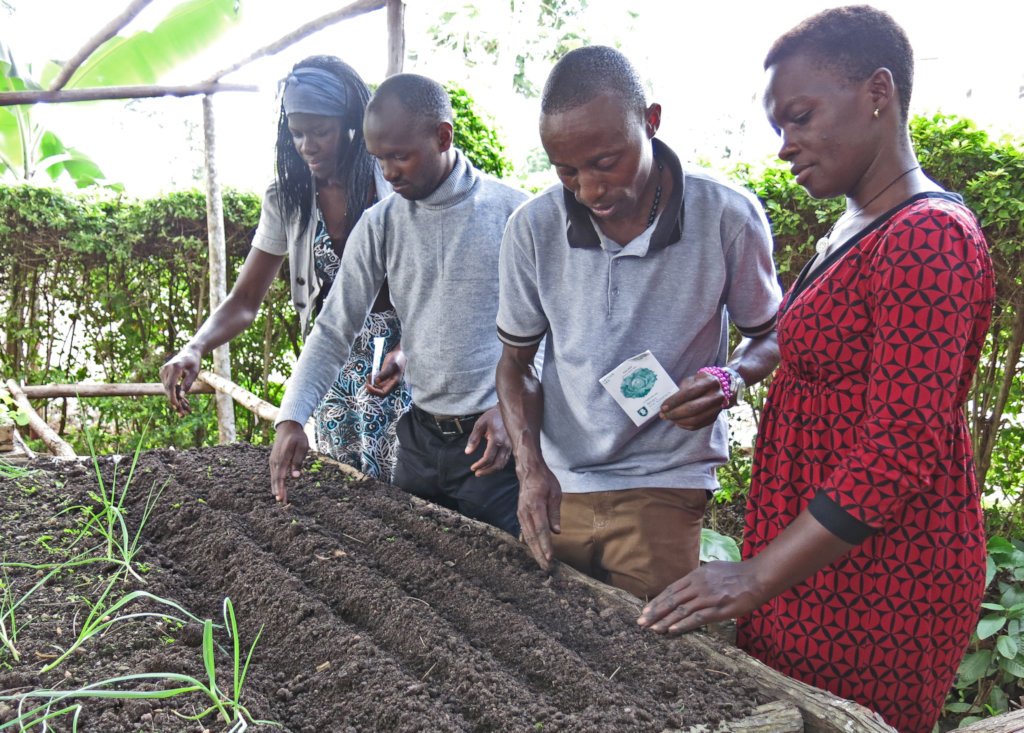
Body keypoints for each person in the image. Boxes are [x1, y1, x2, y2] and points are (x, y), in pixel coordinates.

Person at [637, 7, 995, 733]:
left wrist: (754, 574)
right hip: (811, 569)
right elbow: (804, 353)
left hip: (881, 584)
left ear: (877, 93)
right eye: (778, 127)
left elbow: (898, 449)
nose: (784, 147)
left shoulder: (927, 237)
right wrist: (733, 377)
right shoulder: (856, 225)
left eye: (799, 117)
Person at [495, 45, 782, 600]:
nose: (589, 189)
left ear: (651, 122)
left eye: (605, 162)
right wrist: (531, 472)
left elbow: (769, 333)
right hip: (561, 487)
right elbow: (515, 364)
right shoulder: (531, 229)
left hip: (666, 483)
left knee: (652, 663)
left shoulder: (726, 215)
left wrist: (731, 379)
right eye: (567, 171)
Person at [270, 73, 528, 535]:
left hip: (494, 448)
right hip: (418, 443)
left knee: (498, 591)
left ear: (443, 136)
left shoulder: (515, 216)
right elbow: (333, 330)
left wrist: (515, 411)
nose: (387, 173)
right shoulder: (382, 222)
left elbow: (553, 331)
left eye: (400, 156)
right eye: (379, 158)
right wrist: (292, 417)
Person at [160, 55, 410, 481]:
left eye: (320, 132)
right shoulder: (288, 198)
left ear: (352, 126)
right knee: (348, 491)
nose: (307, 145)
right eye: (296, 133)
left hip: (403, 360)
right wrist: (195, 347)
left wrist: (411, 352)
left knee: (409, 495)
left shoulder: (391, 182)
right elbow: (244, 300)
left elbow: (438, 289)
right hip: (336, 363)